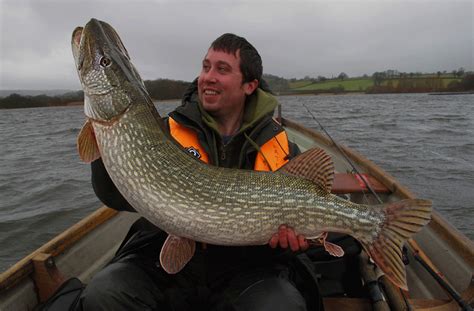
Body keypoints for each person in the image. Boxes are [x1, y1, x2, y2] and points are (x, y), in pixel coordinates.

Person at [76, 33, 351, 311]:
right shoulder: (163, 132)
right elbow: (114, 195)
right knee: (104, 294)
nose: (208, 77)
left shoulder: (281, 148)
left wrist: (295, 243)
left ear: (249, 85)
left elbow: (303, 222)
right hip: (165, 263)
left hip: (247, 269)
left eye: (222, 69)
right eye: (205, 67)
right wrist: (107, 142)